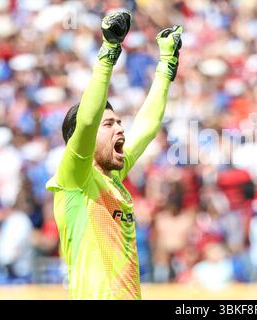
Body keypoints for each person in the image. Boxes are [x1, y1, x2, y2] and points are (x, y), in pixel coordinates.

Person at [45, 9, 183, 299]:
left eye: (119, 122)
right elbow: (85, 121)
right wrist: (109, 50)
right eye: (108, 124)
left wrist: (166, 64)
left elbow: (146, 126)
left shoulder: (113, 176)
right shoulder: (75, 179)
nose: (120, 128)